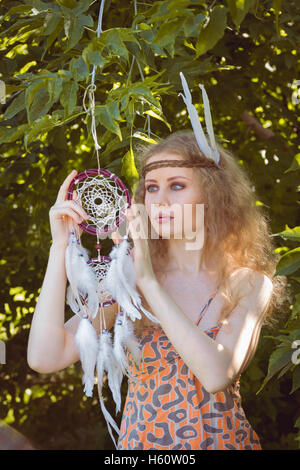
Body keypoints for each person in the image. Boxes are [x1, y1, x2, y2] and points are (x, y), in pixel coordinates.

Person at [27, 130, 285, 450]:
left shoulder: (246, 283)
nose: (160, 200)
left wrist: (149, 282)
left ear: (214, 194)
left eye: (177, 185)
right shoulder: (127, 282)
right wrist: (60, 246)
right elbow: (45, 355)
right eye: (151, 188)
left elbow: (217, 374)